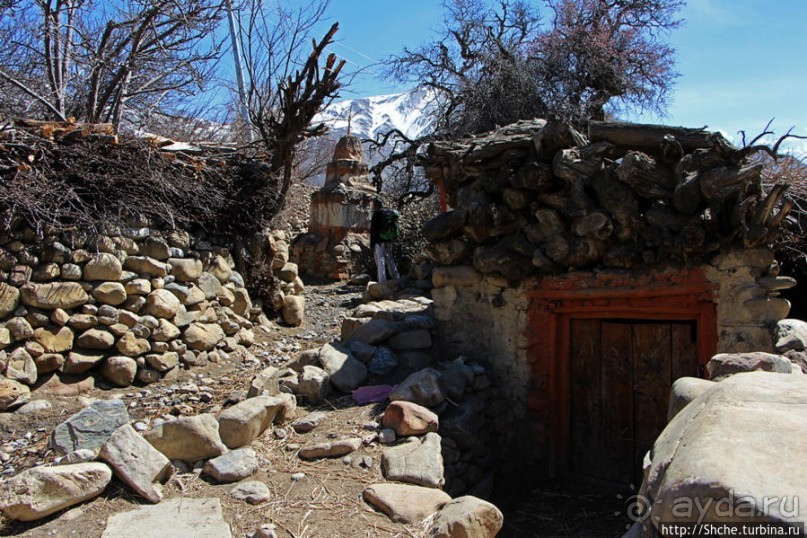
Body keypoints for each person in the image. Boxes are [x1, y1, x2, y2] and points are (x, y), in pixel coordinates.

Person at [370, 199, 400, 283]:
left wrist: (372, 244)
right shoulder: (387, 213)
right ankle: (396, 279)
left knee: (380, 261)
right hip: (388, 240)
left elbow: (374, 231)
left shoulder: (376, 214)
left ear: (376, 205)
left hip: (379, 242)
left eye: (373, 205)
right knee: (390, 259)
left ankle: (382, 281)